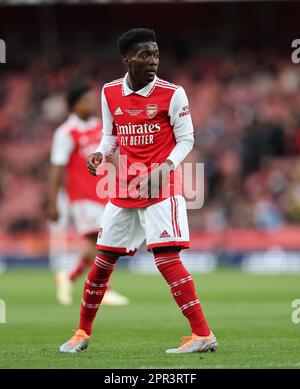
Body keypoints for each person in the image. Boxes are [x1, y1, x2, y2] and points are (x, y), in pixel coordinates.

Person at [60, 28, 217, 354]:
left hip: (162, 188)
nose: (153, 61)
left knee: (166, 259)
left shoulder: (174, 94)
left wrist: (164, 169)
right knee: (102, 262)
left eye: (156, 54)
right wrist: (101, 154)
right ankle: (81, 332)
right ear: (127, 59)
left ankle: (202, 334)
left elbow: (187, 139)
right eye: (145, 54)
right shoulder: (109, 92)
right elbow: (109, 135)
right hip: (124, 188)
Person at [48, 82, 129, 306]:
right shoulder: (66, 133)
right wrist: (53, 202)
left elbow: (110, 153)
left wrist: (123, 179)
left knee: (105, 240)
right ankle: (105, 289)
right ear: (75, 105)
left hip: (105, 193)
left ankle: (70, 275)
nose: (92, 103)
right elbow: (58, 167)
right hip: (83, 196)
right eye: (87, 100)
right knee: (99, 240)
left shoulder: (99, 127)